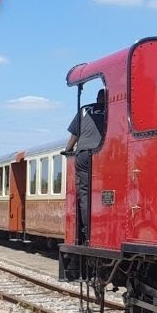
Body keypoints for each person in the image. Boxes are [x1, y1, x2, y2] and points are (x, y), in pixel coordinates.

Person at [63, 89, 107, 245]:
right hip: (104, 153)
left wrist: (68, 150)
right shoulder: (112, 110)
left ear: (97, 98)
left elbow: (74, 135)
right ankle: (104, 227)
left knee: (84, 193)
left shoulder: (85, 109)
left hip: (83, 155)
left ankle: (87, 231)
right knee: (105, 193)